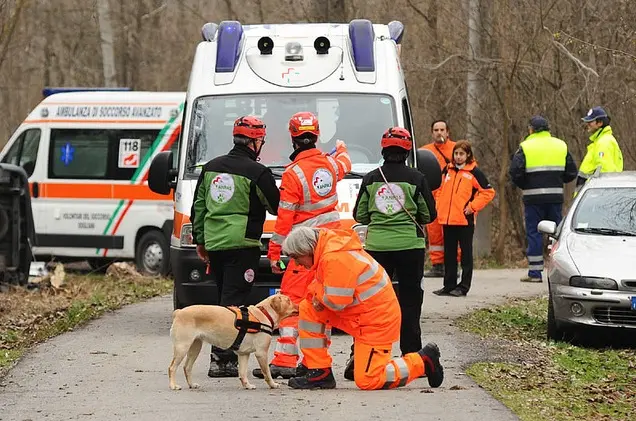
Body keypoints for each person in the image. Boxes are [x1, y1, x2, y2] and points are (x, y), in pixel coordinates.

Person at [252, 111, 351, 380]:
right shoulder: (331, 165)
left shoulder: (293, 174)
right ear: (317, 136)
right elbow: (345, 161)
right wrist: (340, 148)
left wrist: (274, 253)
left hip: (303, 250)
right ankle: (316, 361)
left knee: (292, 302)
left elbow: (284, 219)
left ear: (293, 139)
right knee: (320, 303)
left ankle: (285, 358)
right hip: (331, 248)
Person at [282, 226, 444, 390]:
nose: (297, 263)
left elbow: (336, 302)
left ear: (307, 249)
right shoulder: (328, 249)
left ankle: (422, 361)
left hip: (377, 322)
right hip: (364, 316)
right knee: (308, 308)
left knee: (368, 380)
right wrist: (314, 296)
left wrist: (316, 294)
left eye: (297, 257)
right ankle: (318, 370)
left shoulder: (334, 257)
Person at [190, 115, 280, 377]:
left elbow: (199, 206)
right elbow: (276, 206)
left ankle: (223, 356)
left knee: (222, 299)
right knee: (234, 301)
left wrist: (200, 241)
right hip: (243, 245)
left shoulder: (211, 167)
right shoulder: (257, 172)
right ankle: (221, 358)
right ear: (255, 142)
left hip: (215, 245)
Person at [350, 127, 436, 378]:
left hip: (377, 248)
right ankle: (412, 356)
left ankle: (364, 355)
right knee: (410, 301)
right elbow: (429, 215)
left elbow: (360, 215)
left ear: (383, 150)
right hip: (410, 247)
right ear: (407, 150)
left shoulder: (370, 179)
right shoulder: (417, 178)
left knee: (372, 303)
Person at [509, 116, 578, 282]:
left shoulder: (525, 146)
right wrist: (557, 181)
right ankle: (561, 272)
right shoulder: (561, 145)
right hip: (555, 196)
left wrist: (525, 184)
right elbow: (571, 172)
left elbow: (515, 172)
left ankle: (534, 273)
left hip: (533, 197)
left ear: (531, 129)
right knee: (557, 233)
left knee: (534, 233)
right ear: (548, 129)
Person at [433, 141, 495, 297]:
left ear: (468, 155)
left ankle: (463, 286)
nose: (458, 157)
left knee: (466, 255)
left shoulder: (474, 172)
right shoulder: (447, 170)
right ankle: (449, 285)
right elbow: (439, 189)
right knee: (449, 255)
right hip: (447, 220)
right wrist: (439, 204)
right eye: (456, 154)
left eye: (461, 154)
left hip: (464, 220)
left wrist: (472, 207)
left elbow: (488, 192)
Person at [419, 120, 460, 278]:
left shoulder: (458, 150)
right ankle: (437, 265)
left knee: (452, 234)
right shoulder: (425, 152)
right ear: (432, 132)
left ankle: (453, 266)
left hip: (452, 200)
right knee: (434, 233)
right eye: (436, 130)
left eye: (442, 129)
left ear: (447, 132)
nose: (439, 132)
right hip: (433, 198)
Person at [577, 106, 623, 187]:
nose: (587, 124)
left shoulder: (603, 143)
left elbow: (604, 174)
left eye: (590, 121)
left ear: (600, 123)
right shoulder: (600, 141)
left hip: (595, 196)